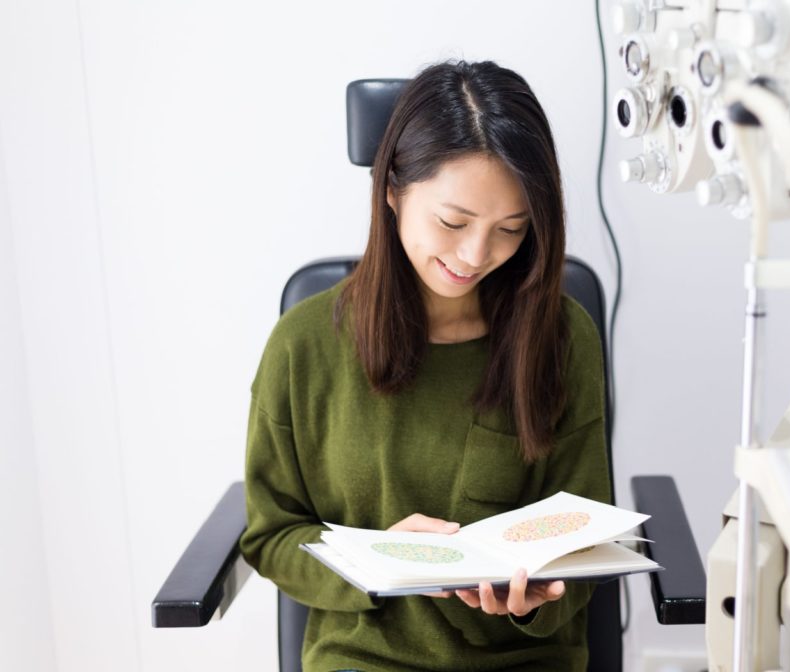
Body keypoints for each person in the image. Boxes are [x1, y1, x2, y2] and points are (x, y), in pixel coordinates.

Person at [240, 60, 611, 672]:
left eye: (511, 230)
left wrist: (533, 599)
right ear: (392, 189)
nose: (475, 255)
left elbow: (585, 537)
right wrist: (380, 563)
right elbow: (271, 535)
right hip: (364, 658)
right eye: (452, 222)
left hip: (522, 658)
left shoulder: (560, 336)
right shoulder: (303, 347)